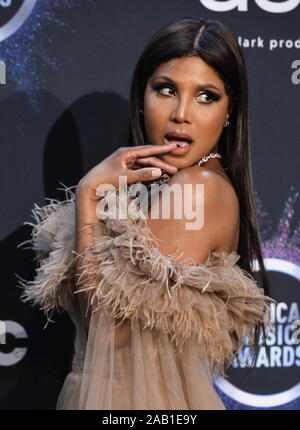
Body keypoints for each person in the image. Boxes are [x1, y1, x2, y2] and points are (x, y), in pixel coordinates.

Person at [17, 17, 277, 410]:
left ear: (229, 110)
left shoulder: (196, 187)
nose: (182, 114)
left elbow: (111, 334)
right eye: (166, 89)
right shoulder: (184, 185)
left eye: (206, 96)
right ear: (141, 96)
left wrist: (89, 195)